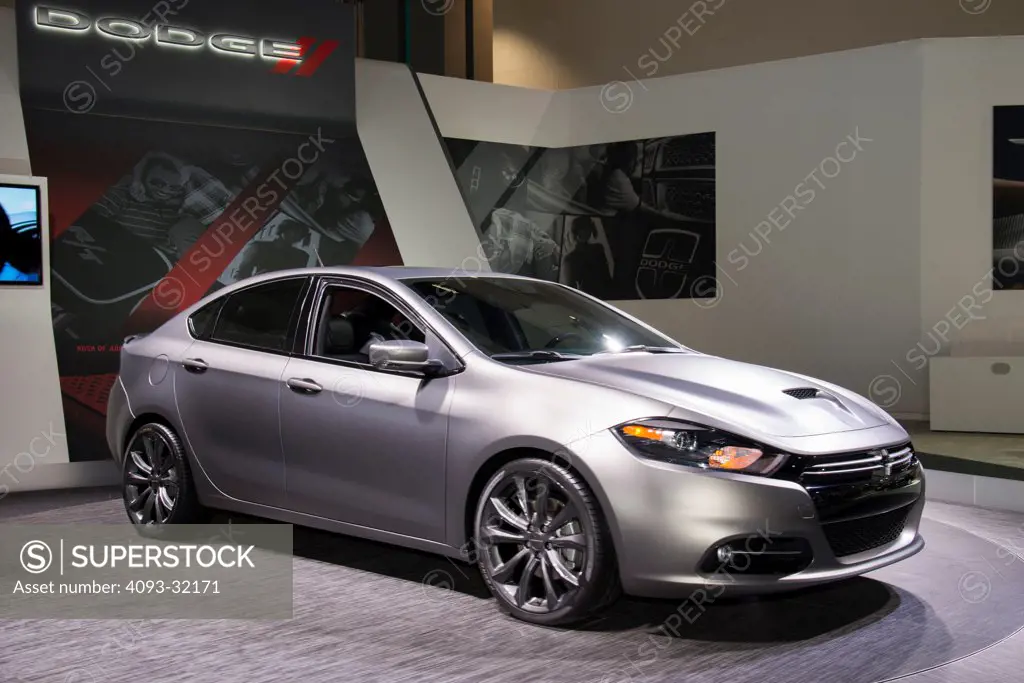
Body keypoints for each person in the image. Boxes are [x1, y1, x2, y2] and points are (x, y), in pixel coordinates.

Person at [93, 151, 233, 258]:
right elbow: (92, 225)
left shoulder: (177, 215)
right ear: (143, 176)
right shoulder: (121, 196)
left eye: (173, 187)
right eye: (157, 182)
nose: (164, 190)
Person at [233, 220, 312, 278]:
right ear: (284, 230)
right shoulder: (259, 247)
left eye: (300, 234)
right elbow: (242, 273)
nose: (296, 236)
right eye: (294, 231)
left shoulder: (300, 256)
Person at [562, 216, 612, 298]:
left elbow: (606, 276)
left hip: (605, 295)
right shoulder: (570, 258)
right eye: (583, 229)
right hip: (588, 297)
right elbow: (571, 287)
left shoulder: (598, 249)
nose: (586, 232)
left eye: (588, 228)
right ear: (576, 232)